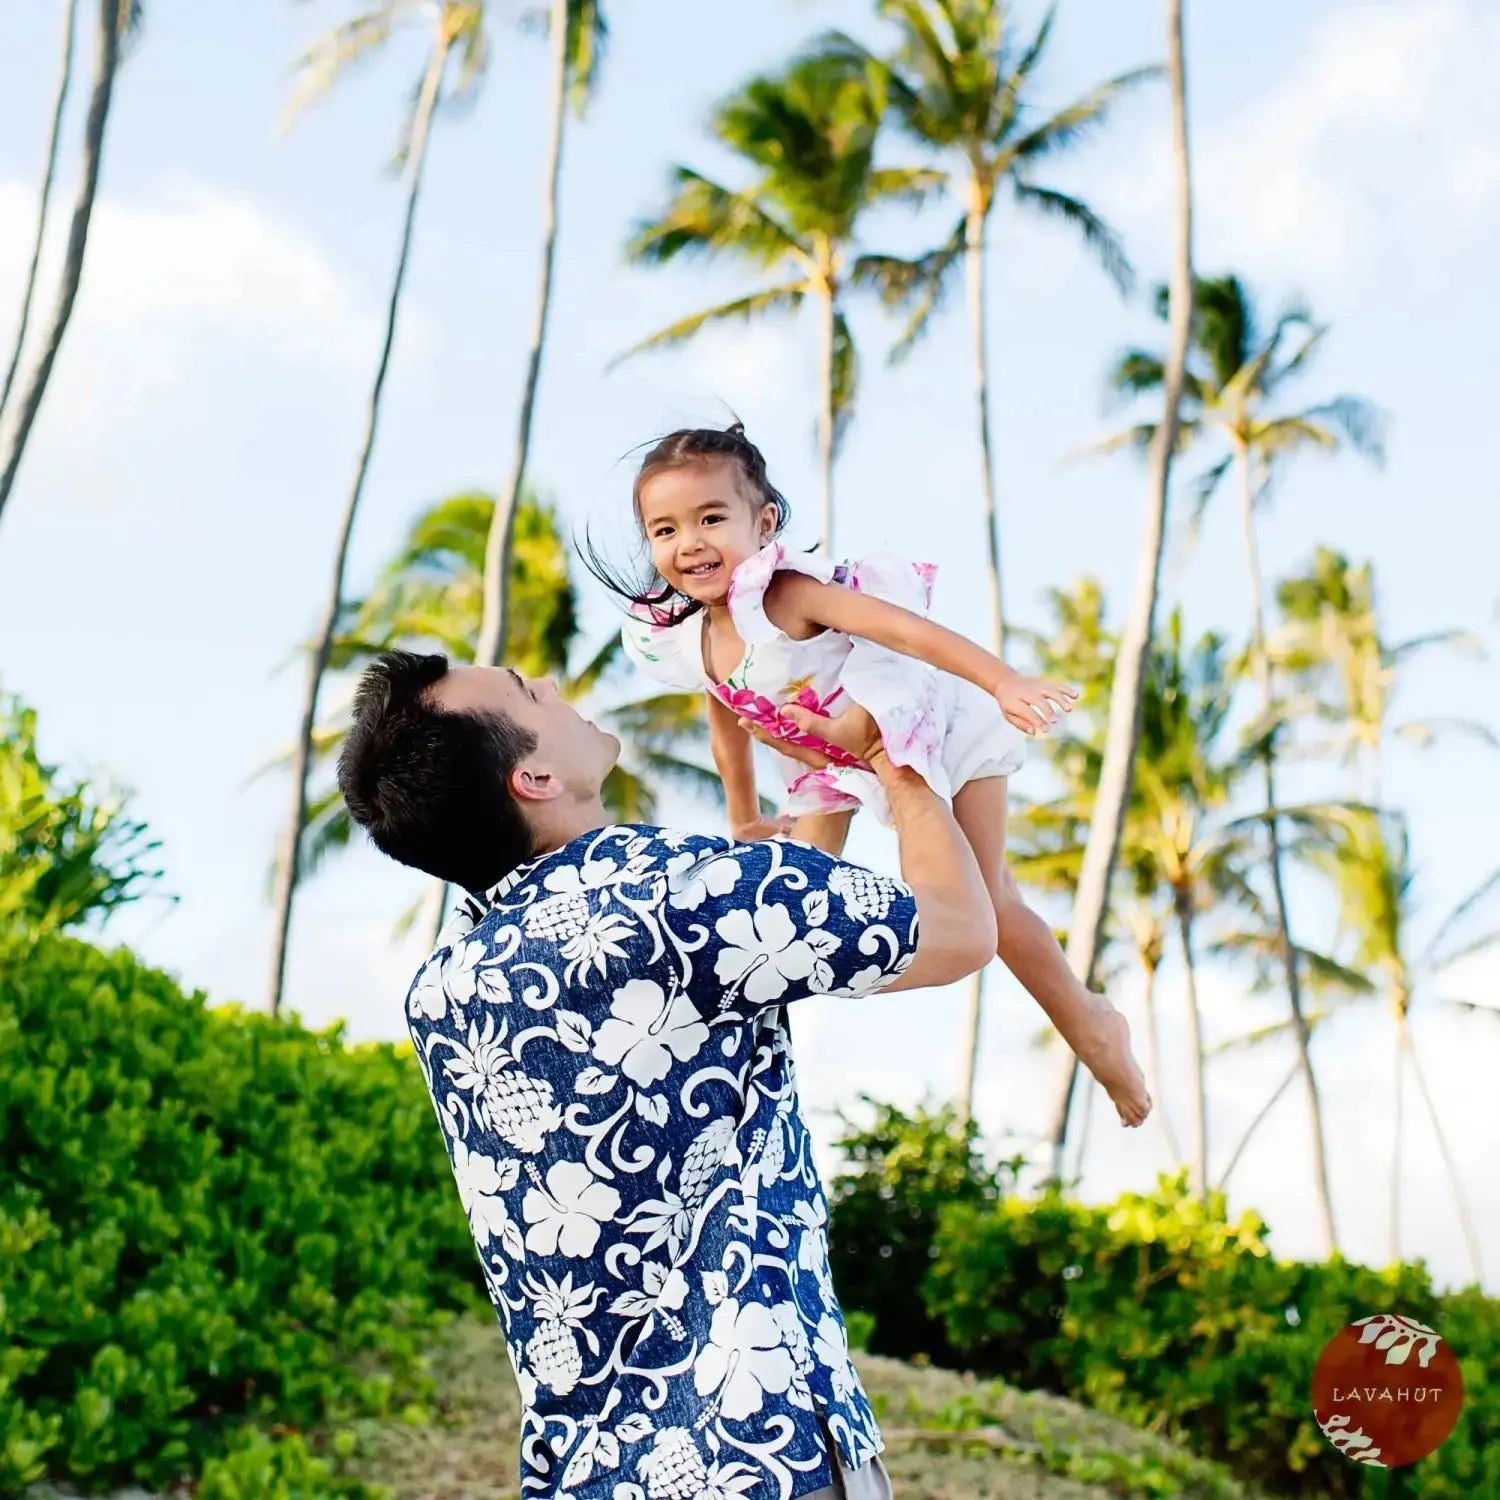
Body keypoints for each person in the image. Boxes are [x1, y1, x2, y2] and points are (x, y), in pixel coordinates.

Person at [337, 649, 1000, 1500]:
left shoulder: (444, 994)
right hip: (760, 1452)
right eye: (528, 694)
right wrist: (890, 759)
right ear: (532, 776)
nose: (553, 688)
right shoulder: (680, 896)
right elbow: (956, 929)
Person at [593, 423, 1150, 1129]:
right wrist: (741, 814)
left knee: (990, 903)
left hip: (929, 724)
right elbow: (725, 719)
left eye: (711, 519)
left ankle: (1092, 1027)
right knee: (780, 919)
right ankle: (720, 1075)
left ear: (762, 524)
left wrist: (1003, 680)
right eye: (665, 529)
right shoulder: (689, 636)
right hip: (830, 762)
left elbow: (901, 630)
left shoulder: (788, 592)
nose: (690, 543)